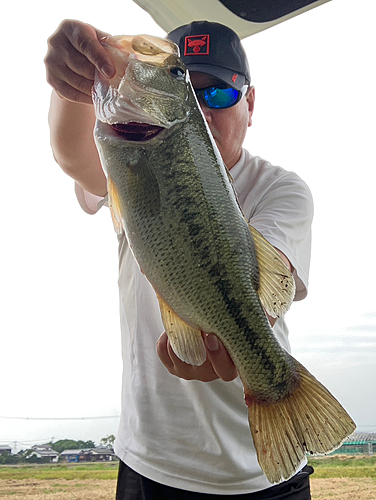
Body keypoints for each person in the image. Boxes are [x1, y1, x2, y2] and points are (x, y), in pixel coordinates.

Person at [45, 19, 314, 499]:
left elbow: (267, 293)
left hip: (261, 475)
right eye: (191, 89)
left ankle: (278, 386)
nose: (206, 111)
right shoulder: (127, 157)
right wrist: (73, 87)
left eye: (219, 95)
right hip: (151, 462)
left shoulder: (281, 189)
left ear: (250, 104)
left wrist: (237, 341)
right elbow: (71, 155)